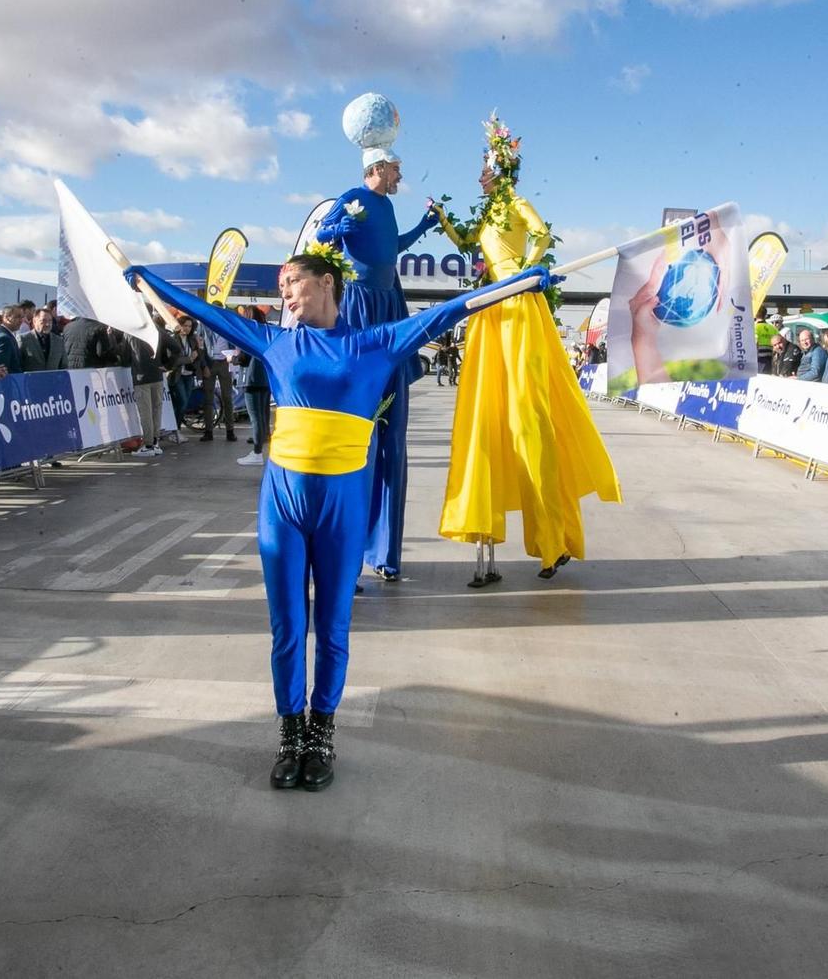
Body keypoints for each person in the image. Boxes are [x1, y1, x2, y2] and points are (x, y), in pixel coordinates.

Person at [127, 250, 552, 790]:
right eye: (282, 284)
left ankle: (321, 734)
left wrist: (518, 284)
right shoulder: (276, 341)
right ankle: (290, 732)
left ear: (326, 283)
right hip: (281, 506)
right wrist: (147, 280)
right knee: (287, 630)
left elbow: (451, 311)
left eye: (292, 282)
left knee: (332, 628)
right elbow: (205, 312)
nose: (284, 293)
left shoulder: (376, 343)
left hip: (342, 510)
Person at [431, 115, 620, 584]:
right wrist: (438, 217)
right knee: (492, 419)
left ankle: (553, 541)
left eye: (486, 166)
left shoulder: (516, 202)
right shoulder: (488, 214)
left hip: (519, 308)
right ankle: (521, 540)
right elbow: (466, 241)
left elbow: (541, 237)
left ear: (503, 169)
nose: (480, 174)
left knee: (532, 422)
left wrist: (522, 271)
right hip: (492, 313)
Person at [313, 137, 441, 581]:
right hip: (363, 307)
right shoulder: (354, 198)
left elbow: (392, 247)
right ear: (379, 167)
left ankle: (385, 552)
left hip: (390, 303)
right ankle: (347, 551)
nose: (401, 174)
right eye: (396, 168)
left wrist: (425, 226)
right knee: (359, 430)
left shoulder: (385, 207)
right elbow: (321, 236)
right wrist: (339, 229)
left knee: (393, 433)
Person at [128, 316, 170, 457]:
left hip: (141, 376)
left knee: (146, 412)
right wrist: (167, 364)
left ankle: (148, 445)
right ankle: (155, 442)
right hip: (157, 375)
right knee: (156, 409)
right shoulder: (157, 330)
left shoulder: (131, 331)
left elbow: (124, 354)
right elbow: (175, 348)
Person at [236, 307, 273, 467]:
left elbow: (243, 358)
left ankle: (257, 452)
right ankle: (264, 448)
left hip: (251, 379)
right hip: (265, 378)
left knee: (255, 417)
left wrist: (233, 359)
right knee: (263, 416)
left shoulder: (248, 333)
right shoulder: (267, 332)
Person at [19, 305, 65, 372]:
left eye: (50, 321)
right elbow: (18, 365)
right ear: (34, 321)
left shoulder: (59, 341)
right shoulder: (23, 339)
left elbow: (64, 365)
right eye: (43, 321)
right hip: (31, 381)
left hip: (53, 381)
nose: (47, 324)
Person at [0, 305, 25, 377]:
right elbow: (2, 369)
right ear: (7, 318)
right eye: (18, 317)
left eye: (22, 317)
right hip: (8, 384)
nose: (21, 320)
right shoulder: (3, 338)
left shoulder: (6, 334)